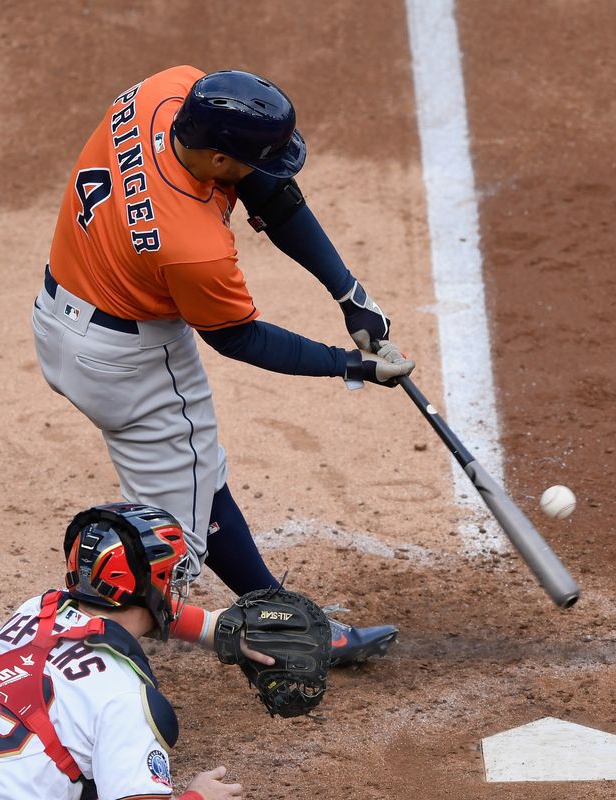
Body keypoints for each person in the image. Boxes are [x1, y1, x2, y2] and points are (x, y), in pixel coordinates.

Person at [31, 66, 415, 665]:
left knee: (200, 477)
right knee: (169, 553)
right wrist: (351, 366)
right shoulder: (192, 246)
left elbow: (267, 189)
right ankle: (61, 657)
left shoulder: (165, 92)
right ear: (216, 159)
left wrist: (349, 293)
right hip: (128, 364)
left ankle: (283, 616)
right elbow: (239, 338)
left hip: (63, 313)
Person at [0, 503, 244, 800]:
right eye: (168, 577)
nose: (174, 586)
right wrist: (198, 795)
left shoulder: (32, 611)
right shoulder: (124, 695)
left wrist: (211, 627)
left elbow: (120, 612)